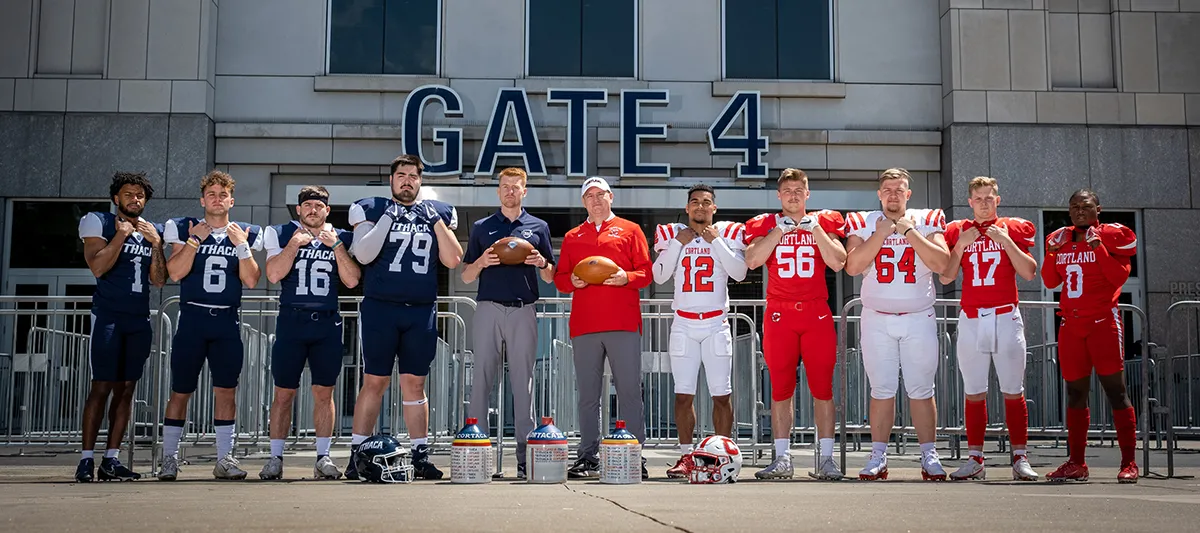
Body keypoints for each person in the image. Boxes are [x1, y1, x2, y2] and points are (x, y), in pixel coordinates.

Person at [346, 154, 462, 480]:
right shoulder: (373, 208)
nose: (407, 180)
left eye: (413, 175)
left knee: (415, 383)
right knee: (375, 381)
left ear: (420, 182)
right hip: (381, 307)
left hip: (420, 309)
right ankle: (357, 456)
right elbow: (364, 254)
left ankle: (420, 454)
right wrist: (388, 217)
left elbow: (454, 259)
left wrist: (435, 220)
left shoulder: (436, 213)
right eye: (401, 175)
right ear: (391, 179)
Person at [844, 168, 950, 481]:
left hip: (918, 317)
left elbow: (942, 264)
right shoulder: (863, 221)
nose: (893, 194)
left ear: (908, 194)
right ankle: (878, 456)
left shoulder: (927, 218)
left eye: (899, 189)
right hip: (877, 317)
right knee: (881, 389)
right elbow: (852, 266)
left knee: (921, 389)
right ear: (879, 194)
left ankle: (929, 454)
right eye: (887, 189)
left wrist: (908, 232)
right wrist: (881, 232)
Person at [742, 168, 847, 480]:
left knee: (822, 388)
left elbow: (838, 261)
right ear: (778, 195)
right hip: (780, 314)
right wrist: (780, 231)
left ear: (808, 193)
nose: (793, 195)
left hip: (815, 312)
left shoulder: (823, 222)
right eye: (787, 190)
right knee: (780, 389)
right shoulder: (766, 223)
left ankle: (826, 459)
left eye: (799, 189)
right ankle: (783, 457)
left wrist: (815, 231)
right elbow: (752, 259)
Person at [159, 170, 263, 480]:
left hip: (226, 320)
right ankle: (169, 458)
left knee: (226, 391)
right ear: (202, 199)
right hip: (192, 318)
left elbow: (252, 279)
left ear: (232, 200)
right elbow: (174, 273)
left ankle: (224, 459)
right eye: (211, 194)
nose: (217, 199)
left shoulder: (245, 231)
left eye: (223, 194)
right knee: (180, 391)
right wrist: (194, 241)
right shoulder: (184, 228)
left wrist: (242, 246)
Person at [940, 177, 1039, 481]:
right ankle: (975, 458)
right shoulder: (959, 231)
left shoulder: (1011, 228)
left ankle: (1020, 457)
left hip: (1005, 315)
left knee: (1012, 389)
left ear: (998, 200)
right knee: (974, 391)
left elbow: (1029, 272)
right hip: (972, 317)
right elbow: (946, 277)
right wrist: (960, 246)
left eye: (989, 198)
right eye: (978, 198)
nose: (984, 203)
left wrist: (1007, 241)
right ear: (969, 202)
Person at [258, 186, 361, 480]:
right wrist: (294, 245)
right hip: (292, 320)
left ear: (327, 210)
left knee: (323, 391)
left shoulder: (340, 237)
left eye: (319, 205)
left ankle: (323, 457)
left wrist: (336, 246)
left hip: (326, 323)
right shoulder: (281, 233)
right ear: (299, 210)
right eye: (307, 206)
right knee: (284, 392)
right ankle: (275, 457)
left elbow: (352, 281)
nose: (313, 210)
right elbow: (274, 274)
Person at [553, 177, 652, 479]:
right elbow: (560, 278)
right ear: (583, 202)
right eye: (589, 196)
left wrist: (626, 277)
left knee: (629, 391)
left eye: (600, 195)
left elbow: (646, 273)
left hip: (622, 323)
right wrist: (573, 282)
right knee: (587, 394)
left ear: (611, 197)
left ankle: (634, 453)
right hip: (585, 326)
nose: (595, 200)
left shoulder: (630, 230)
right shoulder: (572, 236)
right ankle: (588, 455)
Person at [460, 167, 555, 480]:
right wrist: (481, 262)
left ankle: (525, 457)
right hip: (488, 308)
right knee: (481, 383)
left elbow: (550, 275)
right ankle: (478, 454)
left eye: (516, 187)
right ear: (498, 191)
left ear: (524, 191)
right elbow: (466, 275)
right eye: (505, 186)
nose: (510, 191)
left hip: (523, 309)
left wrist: (542, 262)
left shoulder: (538, 226)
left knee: (523, 385)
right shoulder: (482, 227)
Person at [1041, 189, 1139, 483]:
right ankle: (1077, 462)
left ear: (1099, 209)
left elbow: (1118, 277)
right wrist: (1052, 253)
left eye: (1085, 206)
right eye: (1073, 207)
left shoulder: (1111, 236)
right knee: (1074, 393)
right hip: (1071, 325)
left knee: (1115, 391)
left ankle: (1129, 462)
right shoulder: (1060, 239)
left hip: (1102, 323)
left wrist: (1098, 247)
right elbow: (1049, 280)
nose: (1079, 210)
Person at [75, 172, 167, 482]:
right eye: (128, 194)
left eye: (140, 195)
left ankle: (110, 460)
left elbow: (159, 280)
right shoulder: (99, 222)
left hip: (138, 317)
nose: (135, 199)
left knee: (126, 390)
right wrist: (121, 235)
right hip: (109, 315)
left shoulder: (148, 231)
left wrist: (156, 244)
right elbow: (98, 266)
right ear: (117, 198)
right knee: (100, 386)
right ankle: (86, 459)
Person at [652, 184, 748, 478]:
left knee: (722, 394)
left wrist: (717, 242)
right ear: (687, 206)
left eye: (706, 202)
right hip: (683, 323)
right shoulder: (672, 234)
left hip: (716, 323)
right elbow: (659, 274)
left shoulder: (728, 233)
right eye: (695, 202)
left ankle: (721, 455)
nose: (700, 207)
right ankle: (686, 457)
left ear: (714, 208)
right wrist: (679, 244)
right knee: (683, 395)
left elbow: (739, 273)